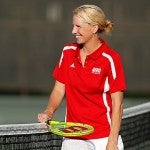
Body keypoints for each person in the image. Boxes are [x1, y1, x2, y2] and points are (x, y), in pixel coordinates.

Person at [38, 4, 126, 150]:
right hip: (74, 136)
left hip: (104, 137)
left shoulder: (111, 58)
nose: (73, 31)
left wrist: (112, 142)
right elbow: (59, 89)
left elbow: (118, 104)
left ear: (94, 28)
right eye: (73, 26)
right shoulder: (67, 52)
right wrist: (49, 111)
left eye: (78, 27)